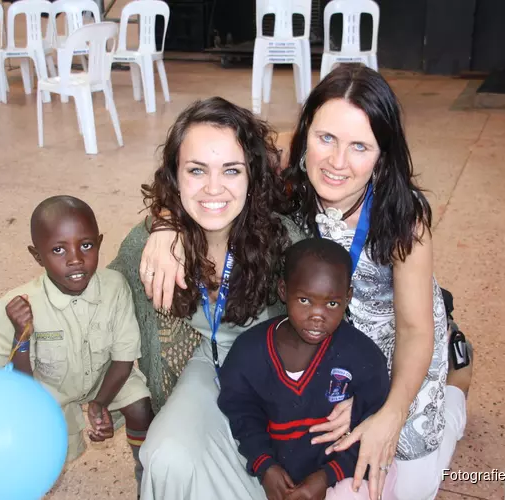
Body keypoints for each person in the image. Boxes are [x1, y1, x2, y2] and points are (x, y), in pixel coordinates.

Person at [140, 65, 474, 500]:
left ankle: (457, 383)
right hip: (321, 332)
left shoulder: (405, 219)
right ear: (305, 132)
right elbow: (208, 164)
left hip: (398, 344)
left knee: (408, 481)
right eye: (326, 138)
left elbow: (413, 329)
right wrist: (166, 224)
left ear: (382, 155)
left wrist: (386, 411)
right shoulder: (288, 177)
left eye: (360, 146)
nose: (337, 162)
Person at [107, 96, 314, 499]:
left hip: (278, 375)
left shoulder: (286, 243)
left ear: (252, 176)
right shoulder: (150, 243)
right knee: (165, 456)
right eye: (196, 170)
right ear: (175, 176)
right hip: (212, 364)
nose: (213, 188)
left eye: (231, 170)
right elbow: (101, 302)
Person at [0, 195, 154, 495]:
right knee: (34, 450)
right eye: (58, 250)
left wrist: (100, 403)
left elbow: (124, 358)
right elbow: (16, 390)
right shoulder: (12, 308)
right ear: (37, 256)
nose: (75, 259)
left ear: (99, 243)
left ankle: (147, 476)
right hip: (46, 394)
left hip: (106, 376)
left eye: (86, 245)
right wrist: (21, 338)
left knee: (140, 403)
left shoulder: (114, 287)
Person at [218, 238, 396, 500]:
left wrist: (327, 477)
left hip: (343, 475)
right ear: (282, 290)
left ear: (347, 297)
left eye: (332, 304)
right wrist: (265, 466)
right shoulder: (248, 354)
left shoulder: (363, 358)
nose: (317, 315)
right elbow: (243, 416)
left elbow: (372, 427)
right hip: (275, 477)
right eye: (304, 300)